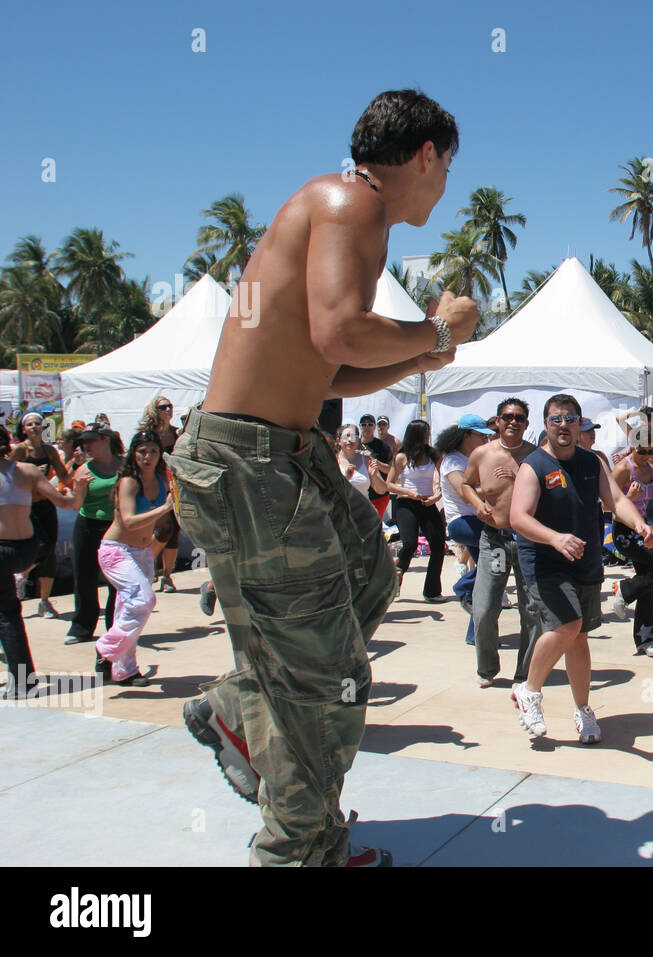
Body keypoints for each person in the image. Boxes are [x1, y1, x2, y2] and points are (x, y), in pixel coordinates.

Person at [170, 89, 477, 867]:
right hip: (253, 461)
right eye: (447, 168)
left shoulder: (332, 204)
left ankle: (241, 705)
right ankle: (299, 850)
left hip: (274, 450)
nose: (445, 188)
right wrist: (439, 330)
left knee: (369, 574)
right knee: (327, 679)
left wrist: (425, 354)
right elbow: (339, 328)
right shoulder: (352, 200)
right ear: (427, 155)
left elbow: (328, 366)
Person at [509, 394, 650, 744]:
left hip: (584, 560)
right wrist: (554, 538)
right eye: (556, 420)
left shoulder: (592, 462)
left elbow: (616, 500)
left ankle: (583, 710)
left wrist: (639, 524)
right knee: (567, 624)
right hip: (545, 562)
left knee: (580, 637)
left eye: (570, 419)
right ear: (546, 425)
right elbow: (518, 518)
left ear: (580, 424)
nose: (563, 426)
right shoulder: (534, 465)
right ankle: (529, 690)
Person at [460, 398, 540, 688]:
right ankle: (487, 669)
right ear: (497, 420)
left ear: (527, 424)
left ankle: (525, 672)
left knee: (531, 610)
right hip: (494, 539)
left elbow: (550, 489)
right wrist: (476, 503)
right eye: (507, 416)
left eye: (519, 417)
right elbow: (466, 484)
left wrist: (519, 475)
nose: (513, 422)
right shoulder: (482, 454)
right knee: (483, 608)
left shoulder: (535, 456)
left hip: (528, 541)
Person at [0, 424, 85, 698]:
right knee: (8, 612)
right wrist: (80, 490)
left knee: (7, 615)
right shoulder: (27, 471)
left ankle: (23, 681)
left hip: (3, 551)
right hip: (27, 548)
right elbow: (65, 502)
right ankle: (22, 678)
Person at [95, 430, 175, 686]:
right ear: (133, 454)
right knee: (144, 599)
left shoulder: (163, 478)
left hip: (142, 552)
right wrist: (163, 509)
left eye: (153, 451)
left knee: (130, 610)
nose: (148, 456)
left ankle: (124, 670)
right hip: (116, 551)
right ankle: (106, 649)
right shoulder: (129, 480)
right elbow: (128, 522)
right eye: (142, 451)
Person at [609, 441, 653, 656]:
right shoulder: (623, 469)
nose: (646, 455)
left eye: (651, 451)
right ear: (632, 448)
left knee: (647, 584)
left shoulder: (651, 470)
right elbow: (606, 505)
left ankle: (646, 640)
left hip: (645, 531)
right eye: (642, 451)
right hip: (625, 531)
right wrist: (629, 499)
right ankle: (625, 590)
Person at [437, 414, 496, 643]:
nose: (485, 440)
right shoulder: (453, 461)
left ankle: (476, 634)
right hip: (462, 523)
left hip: (477, 521)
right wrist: (495, 487)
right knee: (493, 568)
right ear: (466, 435)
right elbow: (464, 491)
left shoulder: (473, 458)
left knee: (488, 575)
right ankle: (463, 586)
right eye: (481, 435)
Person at [65, 423, 123, 645]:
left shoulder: (124, 466)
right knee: (84, 577)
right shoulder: (84, 470)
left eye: (91, 440)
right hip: (87, 526)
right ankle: (81, 627)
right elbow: (74, 505)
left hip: (115, 528)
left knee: (115, 581)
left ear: (106, 440)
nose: (86, 446)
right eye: (84, 442)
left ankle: (114, 626)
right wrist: (78, 488)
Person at [13, 413, 68, 618]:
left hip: (46, 504)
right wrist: (32, 470)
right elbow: (8, 473)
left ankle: (44, 601)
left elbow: (63, 475)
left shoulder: (49, 450)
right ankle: (21, 575)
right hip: (27, 505)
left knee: (50, 551)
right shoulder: (20, 449)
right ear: (24, 429)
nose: (35, 427)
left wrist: (73, 459)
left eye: (38, 423)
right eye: (30, 424)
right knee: (42, 545)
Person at [388, 419, 449, 601]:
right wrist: (407, 491)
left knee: (438, 545)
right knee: (409, 543)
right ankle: (395, 577)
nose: (428, 436)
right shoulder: (401, 457)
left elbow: (446, 478)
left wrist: (437, 497)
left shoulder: (433, 455)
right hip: (407, 502)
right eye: (425, 433)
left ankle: (432, 591)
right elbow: (389, 483)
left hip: (427, 502)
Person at [140, 398, 181, 593]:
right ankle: (144, 565)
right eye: (162, 407)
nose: (167, 409)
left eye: (169, 406)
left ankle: (167, 576)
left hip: (176, 487)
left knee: (174, 532)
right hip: (155, 487)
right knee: (164, 529)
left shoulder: (176, 433)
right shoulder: (148, 435)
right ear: (154, 410)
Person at [336, 422, 388, 501]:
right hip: (341, 510)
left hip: (363, 510)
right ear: (339, 440)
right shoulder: (333, 460)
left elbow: (382, 490)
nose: (350, 440)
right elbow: (327, 491)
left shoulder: (367, 460)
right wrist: (345, 479)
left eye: (354, 437)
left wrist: (374, 477)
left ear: (358, 440)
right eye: (346, 436)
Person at [358, 413, 394, 519]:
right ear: (360, 426)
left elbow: (389, 469)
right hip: (359, 493)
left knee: (375, 525)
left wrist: (375, 461)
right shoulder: (354, 445)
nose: (367, 427)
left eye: (370, 424)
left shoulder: (382, 446)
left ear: (374, 427)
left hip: (378, 495)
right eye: (364, 424)